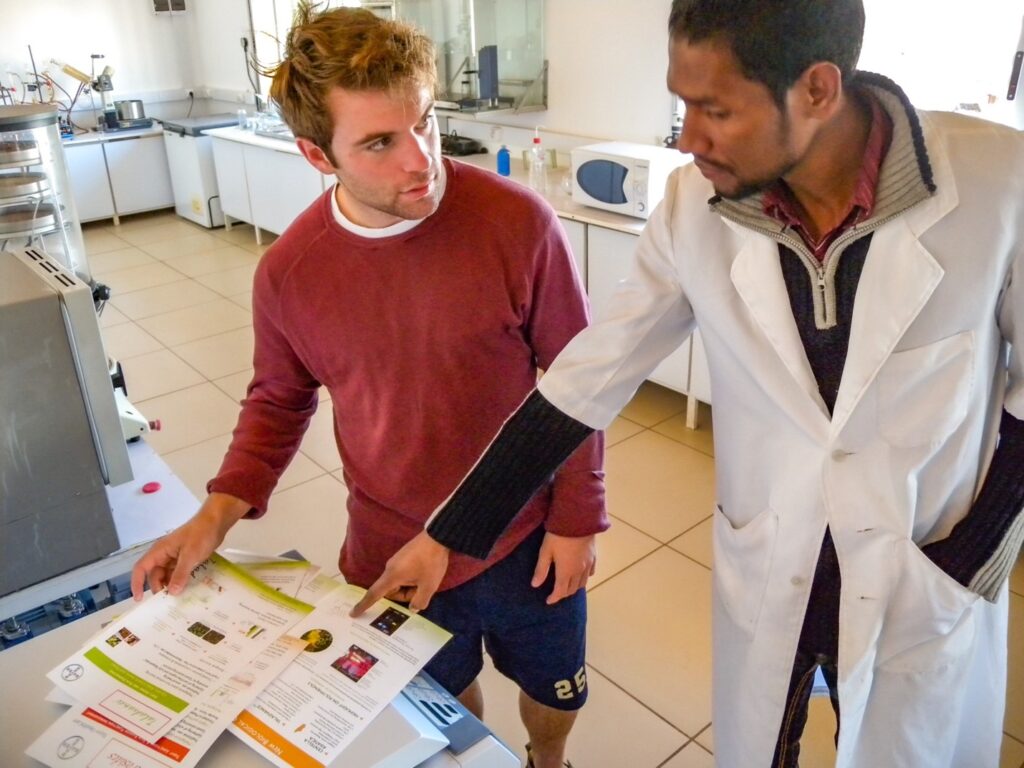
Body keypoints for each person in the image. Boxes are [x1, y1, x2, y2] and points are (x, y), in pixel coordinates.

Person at [353, 1, 1024, 766]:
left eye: (714, 110)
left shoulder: (1000, 183)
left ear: (816, 90)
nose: (688, 138)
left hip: (923, 564)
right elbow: (591, 374)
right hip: (777, 551)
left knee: (900, 743)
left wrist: (968, 562)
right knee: (764, 733)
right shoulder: (694, 206)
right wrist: (449, 534)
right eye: (681, 104)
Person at [129, 6, 607, 768]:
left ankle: (548, 763)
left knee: (555, 690)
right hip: (392, 543)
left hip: (527, 532)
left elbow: (582, 376)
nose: (420, 158)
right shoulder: (290, 272)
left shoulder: (518, 221)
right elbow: (278, 401)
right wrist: (213, 515)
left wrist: (579, 517)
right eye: (380, 143)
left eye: (423, 122)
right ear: (318, 155)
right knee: (439, 696)